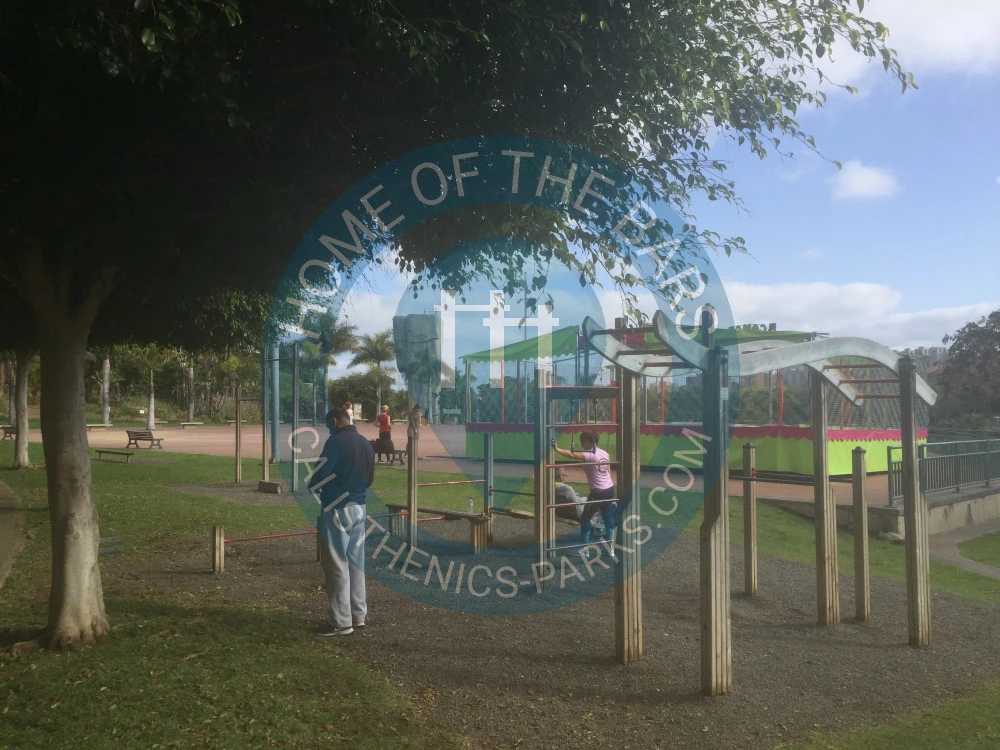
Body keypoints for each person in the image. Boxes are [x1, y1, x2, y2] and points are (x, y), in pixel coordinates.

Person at [309, 406, 375, 636]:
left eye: (329, 426)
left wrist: (313, 486)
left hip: (337, 508)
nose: (329, 431)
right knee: (357, 563)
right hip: (359, 506)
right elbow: (370, 479)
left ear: (336, 421)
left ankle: (340, 622)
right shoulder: (366, 443)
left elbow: (321, 473)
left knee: (337, 564)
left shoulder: (335, 443)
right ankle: (359, 616)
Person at [551, 431, 615, 558]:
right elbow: (608, 470)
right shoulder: (605, 453)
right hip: (609, 488)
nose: (581, 444)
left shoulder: (589, 454)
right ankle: (610, 549)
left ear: (589, 441)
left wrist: (557, 449)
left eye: (583, 441)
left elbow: (571, 454)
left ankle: (584, 550)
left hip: (597, 491)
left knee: (585, 518)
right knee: (607, 517)